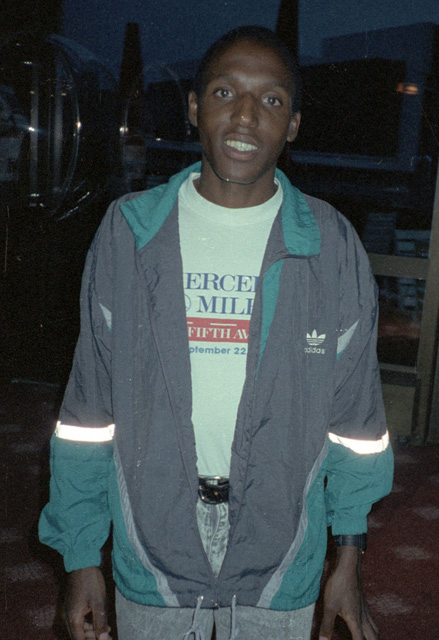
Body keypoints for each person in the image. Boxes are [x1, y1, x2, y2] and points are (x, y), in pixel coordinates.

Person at [39, 25, 393, 640]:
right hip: (152, 546)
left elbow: (357, 425)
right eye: (226, 92)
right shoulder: (129, 234)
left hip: (281, 553)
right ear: (194, 107)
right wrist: (80, 555)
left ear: (293, 124)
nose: (247, 116)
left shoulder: (330, 246)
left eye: (271, 99)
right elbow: (87, 415)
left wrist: (349, 559)